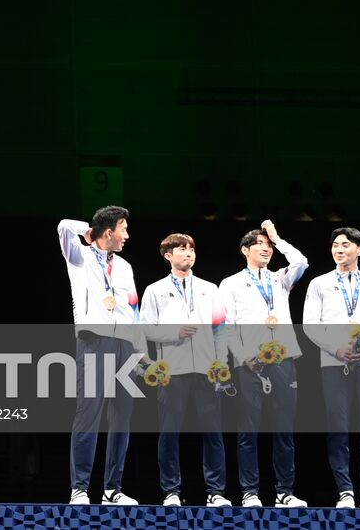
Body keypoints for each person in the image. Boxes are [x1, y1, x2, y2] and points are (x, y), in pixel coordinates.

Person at [217, 220, 309, 508]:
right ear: (245, 250)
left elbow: (302, 261)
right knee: (249, 430)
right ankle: (250, 492)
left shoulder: (280, 278)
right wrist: (243, 356)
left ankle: (285, 491)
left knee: (284, 429)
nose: (266, 249)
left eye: (268, 246)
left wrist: (278, 238)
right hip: (249, 363)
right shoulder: (230, 283)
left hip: (283, 360)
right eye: (260, 244)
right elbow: (227, 325)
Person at [58, 206, 144, 506]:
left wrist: (141, 352)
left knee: (122, 418)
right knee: (89, 414)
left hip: (125, 345)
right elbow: (63, 226)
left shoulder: (124, 267)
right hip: (94, 341)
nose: (127, 235)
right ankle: (79, 489)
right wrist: (92, 229)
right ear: (108, 232)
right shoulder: (79, 257)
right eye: (123, 229)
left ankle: (113, 489)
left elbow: (134, 311)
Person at [139, 233, 232, 507]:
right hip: (172, 371)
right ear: (168, 255)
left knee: (212, 432)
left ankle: (216, 492)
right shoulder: (154, 290)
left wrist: (221, 362)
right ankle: (171, 491)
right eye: (182, 249)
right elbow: (144, 328)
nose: (189, 253)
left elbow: (220, 329)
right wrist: (173, 333)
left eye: (192, 249)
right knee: (170, 432)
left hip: (206, 370)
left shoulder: (210, 288)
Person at [303, 227, 360, 509]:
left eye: (345, 245)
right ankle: (346, 492)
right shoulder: (319, 283)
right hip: (333, 363)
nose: (338, 250)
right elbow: (310, 325)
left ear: (359, 250)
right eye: (335, 245)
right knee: (338, 428)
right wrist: (334, 348)